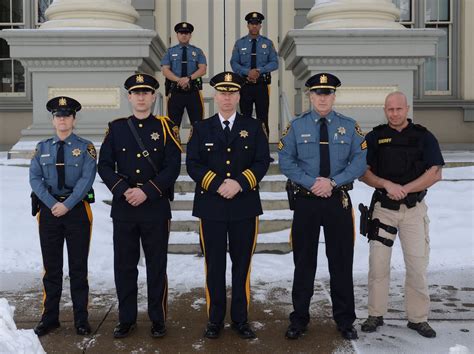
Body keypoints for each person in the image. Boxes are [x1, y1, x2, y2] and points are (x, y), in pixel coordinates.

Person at [278, 73, 367, 340]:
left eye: (327, 93)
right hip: (306, 202)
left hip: (337, 201)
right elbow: (285, 160)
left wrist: (333, 182)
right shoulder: (296, 126)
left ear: (334, 96)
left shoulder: (349, 126)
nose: (322, 98)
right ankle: (299, 319)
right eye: (318, 93)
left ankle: (344, 320)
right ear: (310, 96)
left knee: (341, 262)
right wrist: (311, 183)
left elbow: (359, 160)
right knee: (304, 262)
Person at [186, 71, 270, 340]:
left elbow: (261, 161)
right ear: (214, 95)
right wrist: (218, 183)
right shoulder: (201, 127)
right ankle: (214, 319)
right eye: (222, 92)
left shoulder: (254, 126)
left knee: (242, 265)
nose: (227, 98)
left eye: (232, 92)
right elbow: (193, 164)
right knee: (215, 265)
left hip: (244, 205)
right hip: (211, 206)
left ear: (238, 95)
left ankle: (240, 319)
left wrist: (240, 183)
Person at [98, 73, 182, 339]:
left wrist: (147, 191)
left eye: (146, 92)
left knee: (157, 265)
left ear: (154, 96)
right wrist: (124, 191)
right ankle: (126, 318)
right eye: (136, 93)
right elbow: (104, 165)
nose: (142, 97)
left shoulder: (166, 127)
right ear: (129, 97)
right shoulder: (117, 127)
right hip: (124, 208)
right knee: (124, 265)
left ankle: (158, 318)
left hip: (154, 206)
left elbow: (172, 166)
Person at [359, 91, 444, 338]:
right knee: (378, 265)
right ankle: (375, 314)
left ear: (407, 109)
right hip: (383, 211)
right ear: (385, 111)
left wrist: (405, 188)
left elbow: (435, 172)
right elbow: (363, 173)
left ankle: (418, 319)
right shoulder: (375, 137)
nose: (394, 113)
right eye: (389, 109)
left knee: (417, 266)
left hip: (414, 211)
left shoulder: (423, 136)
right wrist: (386, 184)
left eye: (398, 109)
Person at [29, 96, 97, 336]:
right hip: (48, 213)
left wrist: (67, 205)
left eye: (67, 115)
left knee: (78, 267)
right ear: (53, 120)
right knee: (51, 268)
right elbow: (35, 179)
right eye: (58, 116)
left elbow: (86, 180)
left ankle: (81, 319)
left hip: (77, 212)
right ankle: (50, 318)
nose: (62, 119)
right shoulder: (42, 148)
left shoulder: (86, 147)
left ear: (74, 119)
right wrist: (50, 204)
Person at [230, 11, 278, 135]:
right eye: (252, 23)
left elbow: (274, 63)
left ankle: (263, 148)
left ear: (260, 25)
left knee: (263, 117)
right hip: (245, 86)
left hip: (261, 85)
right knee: (244, 117)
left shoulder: (267, 43)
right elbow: (234, 63)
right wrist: (247, 72)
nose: (254, 26)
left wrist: (259, 71)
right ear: (248, 25)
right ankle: (245, 147)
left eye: (257, 24)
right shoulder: (240, 43)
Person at [161, 22, 207, 127]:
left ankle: (195, 144)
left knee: (198, 124)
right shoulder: (170, 52)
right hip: (175, 91)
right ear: (177, 35)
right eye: (181, 33)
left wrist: (188, 78)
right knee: (172, 124)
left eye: (186, 33)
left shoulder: (198, 51)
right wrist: (179, 80)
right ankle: (173, 144)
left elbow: (203, 69)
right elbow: (165, 70)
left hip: (193, 90)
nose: (184, 35)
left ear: (190, 35)